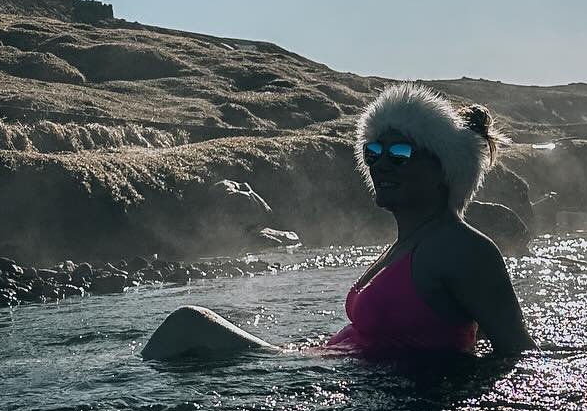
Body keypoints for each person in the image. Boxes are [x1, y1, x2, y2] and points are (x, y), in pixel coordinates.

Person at [142, 83, 534, 362]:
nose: (380, 161)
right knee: (187, 332)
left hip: (331, 382)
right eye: (373, 150)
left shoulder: (461, 248)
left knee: (187, 325)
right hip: (325, 369)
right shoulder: (408, 244)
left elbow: (516, 352)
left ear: (443, 171)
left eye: (400, 152)